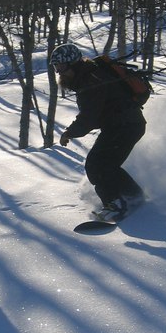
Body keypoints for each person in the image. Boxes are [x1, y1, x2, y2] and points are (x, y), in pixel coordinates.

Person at [51, 42, 146, 221]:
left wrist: (69, 133)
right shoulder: (88, 76)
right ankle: (135, 197)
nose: (59, 72)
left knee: (97, 165)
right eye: (56, 68)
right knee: (105, 164)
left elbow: (89, 117)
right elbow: (97, 113)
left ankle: (115, 204)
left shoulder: (91, 79)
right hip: (125, 124)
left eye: (61, 66)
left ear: (73, 63)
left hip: (124, 125)